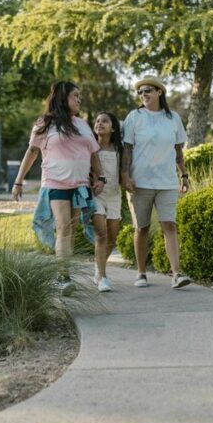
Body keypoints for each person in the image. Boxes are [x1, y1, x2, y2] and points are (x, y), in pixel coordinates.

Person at [13, 81, 103, 295]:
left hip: (80, 185)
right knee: (63, 227)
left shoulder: (82, 124)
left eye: (80, 96)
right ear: (63, 98)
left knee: (70, 230)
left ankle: (62, 273)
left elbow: (94, 154)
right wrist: (18, 181)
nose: (79, 100)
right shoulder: (45, 123)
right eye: (75, 96)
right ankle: (63, 277)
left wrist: (101, 178)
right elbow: (32, 152)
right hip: (56, 183)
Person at [120, 75, 192, 289]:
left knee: (169, 225)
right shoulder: (134, 117)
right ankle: (141, 273)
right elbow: (127, 149)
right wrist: (125, 176)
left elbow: (178, 149)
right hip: (140, 182)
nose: (143, 95)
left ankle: (176, 274)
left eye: (148, 90)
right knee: (141, 228)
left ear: (159, 92)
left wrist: (184, 175)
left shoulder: (173, 118)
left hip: (167, 182)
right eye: (140, 92)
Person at [90, 111, 123, 292]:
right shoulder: (90, 148)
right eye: (97, 121)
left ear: (113, 127)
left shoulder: (119, 149)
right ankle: (102, 278)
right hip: (97, 196)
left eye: (104, 121)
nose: (99, 124)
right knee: (101, 234)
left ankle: (98, 266)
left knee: (112, 237)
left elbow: (124, 172)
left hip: (114, 196)